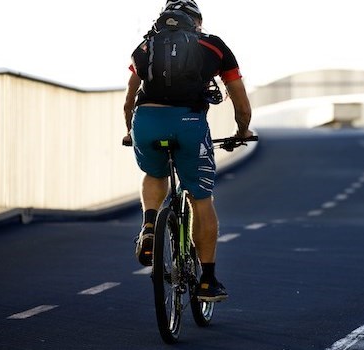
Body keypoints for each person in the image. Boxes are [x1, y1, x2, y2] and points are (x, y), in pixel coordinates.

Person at [121, 0, 252, 302]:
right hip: (189, 123)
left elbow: (130, 99)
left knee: (154, 173)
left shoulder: (145, 46)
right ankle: (207, 280)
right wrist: (242, 130)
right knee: (200, 197)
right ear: (196, 22)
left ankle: (150, 225)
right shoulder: (214, 46)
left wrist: (130, 131)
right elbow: (239, 99)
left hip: (147, 121)